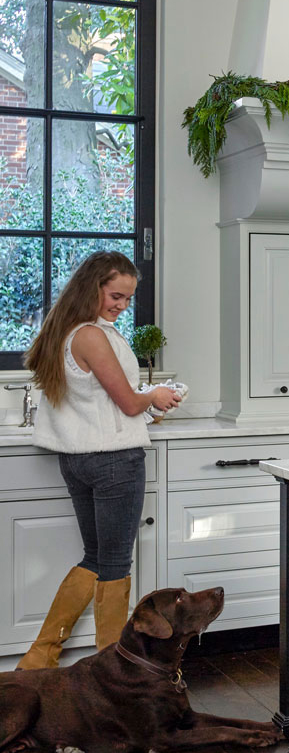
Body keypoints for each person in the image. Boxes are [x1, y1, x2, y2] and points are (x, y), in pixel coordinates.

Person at [17, 251, 181, 669]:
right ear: (92, 287)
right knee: (113, 564)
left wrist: (151, 405)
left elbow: (100, 402)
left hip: (78, 462)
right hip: (113, 463)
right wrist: (155, 396)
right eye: (115, 295)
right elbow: (127, 403)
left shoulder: (66, 331)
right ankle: (115, 668)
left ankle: (38, 660)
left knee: (94, 558)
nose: (122, 305)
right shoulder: (92, 335)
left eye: (128, 298)